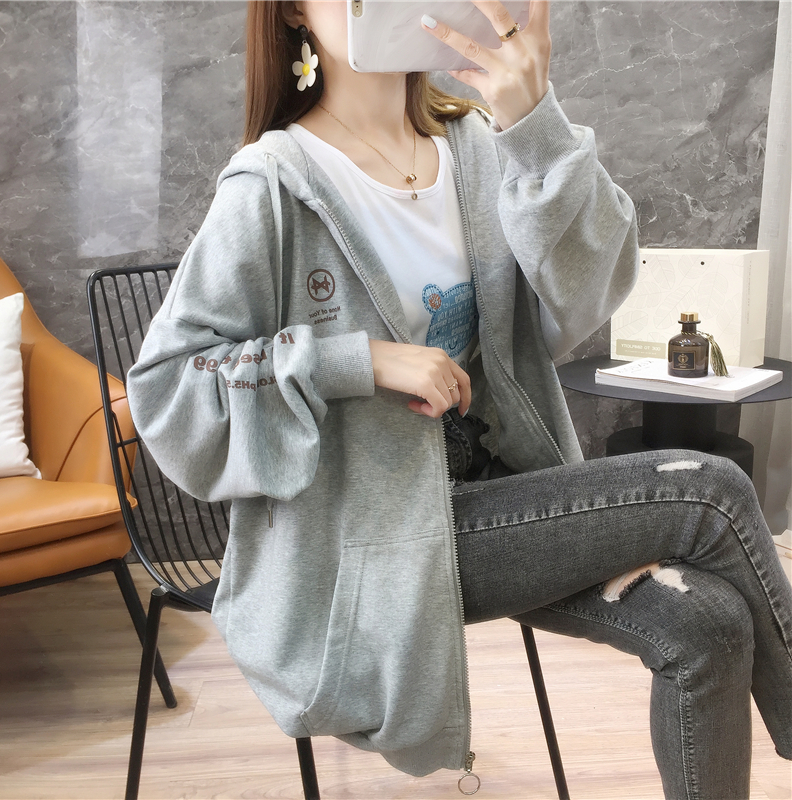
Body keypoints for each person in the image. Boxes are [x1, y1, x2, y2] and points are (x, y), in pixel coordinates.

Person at [127, 1, 792, 796]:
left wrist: (535, 126)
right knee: (709, 489)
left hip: (504, 494)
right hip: (376, 534)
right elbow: (169, 384)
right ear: (295, 10)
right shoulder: (272, 182)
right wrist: (356, 360)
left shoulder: (478, 145)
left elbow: (588, 293)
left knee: (710, 625)